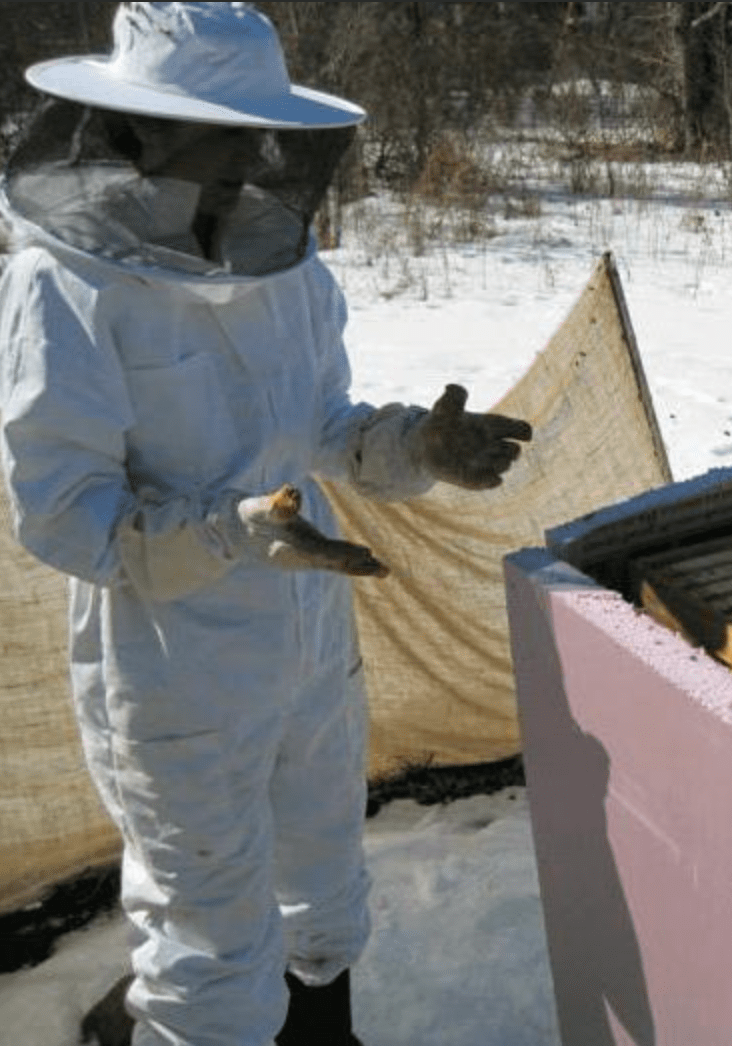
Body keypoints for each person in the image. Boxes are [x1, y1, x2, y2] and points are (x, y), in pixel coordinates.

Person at [0, 4, 532, 1044]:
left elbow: (322, 429)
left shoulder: (283, 264)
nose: (254, 150)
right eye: (224, 127)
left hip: (308, 626)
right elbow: (66, 518)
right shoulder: (63, 286)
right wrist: (234, 534)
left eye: (258, 127)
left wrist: (413, 445)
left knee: (326, 867)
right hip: (170, 658)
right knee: (208, 928)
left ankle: (324, 1028)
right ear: (141, 127)